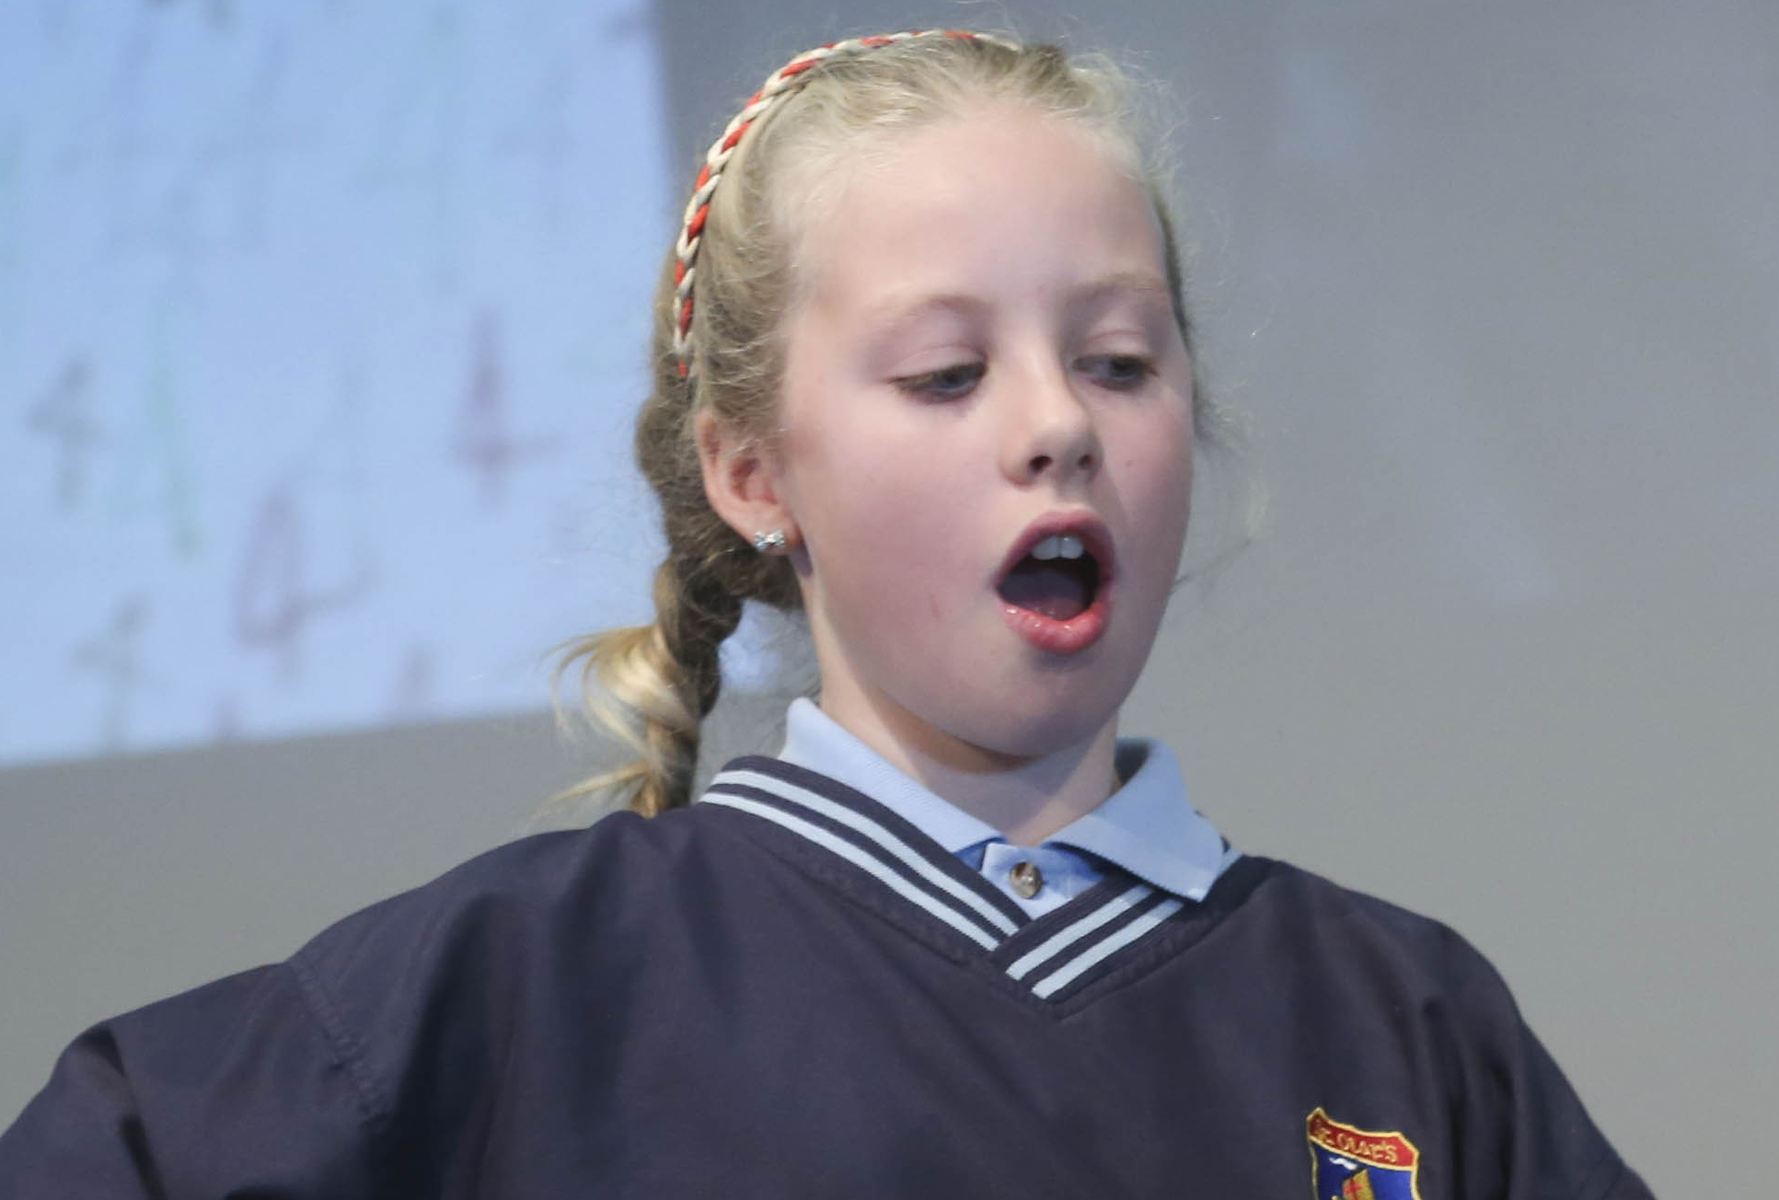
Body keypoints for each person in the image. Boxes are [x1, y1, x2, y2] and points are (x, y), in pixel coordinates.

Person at [0, 29, 1651, 1198]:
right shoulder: (530, 990)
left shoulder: (1404, 1025)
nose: (1058, 422)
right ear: (753, 476)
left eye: (1120, 359)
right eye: (946, 372)